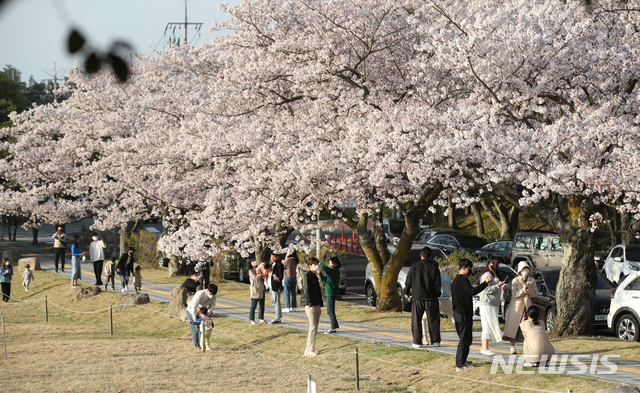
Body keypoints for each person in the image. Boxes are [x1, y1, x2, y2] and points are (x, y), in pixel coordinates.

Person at [451, 258, 493, 371]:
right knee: (464, 340)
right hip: (463, 314)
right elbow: (472, 291)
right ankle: (460, 364)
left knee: (466, 339)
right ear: (464, 268)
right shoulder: (462, 280)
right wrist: (486, 283)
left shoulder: (454, 281)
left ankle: (463, 360)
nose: (470, 271)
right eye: (469, 269)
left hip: (458, 313)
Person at [404, 247, 441, 348]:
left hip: (417, 297)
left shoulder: (414, 266)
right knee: (433, 320)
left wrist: (407, 292)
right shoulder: (434, 267)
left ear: (421, 256)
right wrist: (436, 293)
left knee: (416, 320)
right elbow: (438, 284)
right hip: (431, 297)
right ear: (430, 256)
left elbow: (408, 282)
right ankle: (436, 341)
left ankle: (417, 341)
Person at [503, 261, 537, 354]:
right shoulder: (515, 280)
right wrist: (524, 289)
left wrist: (528, 288)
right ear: (519, 270)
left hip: (527, 306)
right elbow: (515, 294)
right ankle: (512, 346)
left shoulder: (532, 280)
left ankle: (527, 346)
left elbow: (534, 293)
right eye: (523, 269)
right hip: (517, 307)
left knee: (527, 326)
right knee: (514, 326)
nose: (525, 271)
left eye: (526, 269)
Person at [478, 256, 506, 355]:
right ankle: (484, 348)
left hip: (493, 304)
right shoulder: (487, 275)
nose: (495, 265)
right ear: (488, 264)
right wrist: (497, 286)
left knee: (489, 325)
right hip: (487, 303)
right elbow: (486, 290)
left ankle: (485, 348)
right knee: (486, 325)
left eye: (497, 263)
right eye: (492, 263)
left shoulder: (495, 275)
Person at [421, 271, 454, 346]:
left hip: (436, 301)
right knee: (454, 318)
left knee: (423, 318)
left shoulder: (430, 276)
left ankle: (425, 338)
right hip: (448, 301)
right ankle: (462, 337)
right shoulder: (446, 276)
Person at [301, 257, 323, 357]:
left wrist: (320, 304)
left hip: (317, 304)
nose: (316, 265)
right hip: (310, 305)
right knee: (313, 326)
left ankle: (309, 348)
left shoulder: (315, 276)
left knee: (315, 326)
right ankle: (309, 349)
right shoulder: (307, 276)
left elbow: (318, 292)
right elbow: (306, 291)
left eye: (317, 263)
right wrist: (311, 305)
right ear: (309, 265)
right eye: (314, 264)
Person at [186, 284, 218, 349]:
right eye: (211, 294)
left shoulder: (214, 297)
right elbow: (194, 306)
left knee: (202, 328)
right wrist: (194, 319)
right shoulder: (200, 294)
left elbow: (212, 306)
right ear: (208, 290)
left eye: (213, 294)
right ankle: (197, 345)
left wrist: (207, 313)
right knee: (196, 328)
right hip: (192, 310)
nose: (212, 295)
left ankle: (202, 344)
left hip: (202, 312)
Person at [319, 256, 342, 334]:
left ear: (333, 263)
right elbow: (325, 280)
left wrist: (320, 263)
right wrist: (320, 274)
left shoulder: (335, 271)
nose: (329, 264)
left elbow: (325, 268)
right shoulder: (333, 271)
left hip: (331, 293)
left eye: (330, 262)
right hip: (330, 292)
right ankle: (334, 326)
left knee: (330, 311)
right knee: (330, 311)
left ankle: (333, 328)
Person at [248, 260, 267, 325]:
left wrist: (262, 273)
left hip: (261, 289)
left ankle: (261, 318)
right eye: (253, 261)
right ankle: (252, 319)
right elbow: (255, 278)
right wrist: (259, 274)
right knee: (253, 306)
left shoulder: (259, 268)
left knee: (262, 305)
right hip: (255, 290)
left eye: (255, 261)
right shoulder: (250, 271)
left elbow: (263, 276)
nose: (254, 262)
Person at [269, 253, 284, 324]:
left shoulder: (279, 265)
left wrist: (278, 279)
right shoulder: (271, 264)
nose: (272, 258)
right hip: (270, 285)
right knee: (273, 301)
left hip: (275, 285)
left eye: (274, 257)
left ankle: (277, 318)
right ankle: (279, 315)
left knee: (276, 301)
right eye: (271, 257)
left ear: (278, 257)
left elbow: (281, 276)